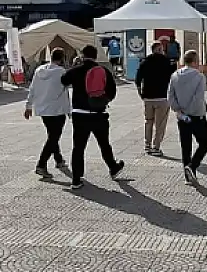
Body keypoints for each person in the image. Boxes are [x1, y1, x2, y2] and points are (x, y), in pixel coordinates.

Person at [61, 45, 125, 190]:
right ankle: (113, 167)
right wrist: (102, 101)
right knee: (104, 143)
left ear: (82, 55)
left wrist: (74, 66)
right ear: (96, 56)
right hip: (99, 114)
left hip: (79, 114)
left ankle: (76, 179)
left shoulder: (76, 70)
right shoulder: (103, 71)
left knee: (78, 147)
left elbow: (63, 80)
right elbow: (112, 92)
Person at [25, 47, 72, 179]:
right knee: (54, 137)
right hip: (57, 109)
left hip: (42, 108)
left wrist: (28, 105)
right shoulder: (61, 72)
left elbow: (32, 88)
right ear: (62, 58)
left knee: (52, 134)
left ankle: (58, 158)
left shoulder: (39, 70)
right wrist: (69, 110)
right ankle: (41, 164)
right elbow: (65, 92)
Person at [168, 50, 207, 185]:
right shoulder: (199, 77)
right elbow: (198, 98)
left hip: (181, 116)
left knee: (186, 146)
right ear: (195, 61)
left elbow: (170, 96)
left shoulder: (175, 75)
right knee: (204, 143)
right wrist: (192, 111)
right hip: (197, 116)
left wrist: (179, 111)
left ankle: (188, 176)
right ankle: (192, 166)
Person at [136, 41, 174, 155]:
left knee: (148, 122)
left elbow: (138, 80)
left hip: (148, 97)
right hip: (162, 97)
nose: (163, 51)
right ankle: (156, 147)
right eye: (161, 49)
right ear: (158, 49)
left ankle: (147, 145)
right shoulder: (167, 62)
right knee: (160, 124)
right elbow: (173, 79)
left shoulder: (144, 62)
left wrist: (141, 93)